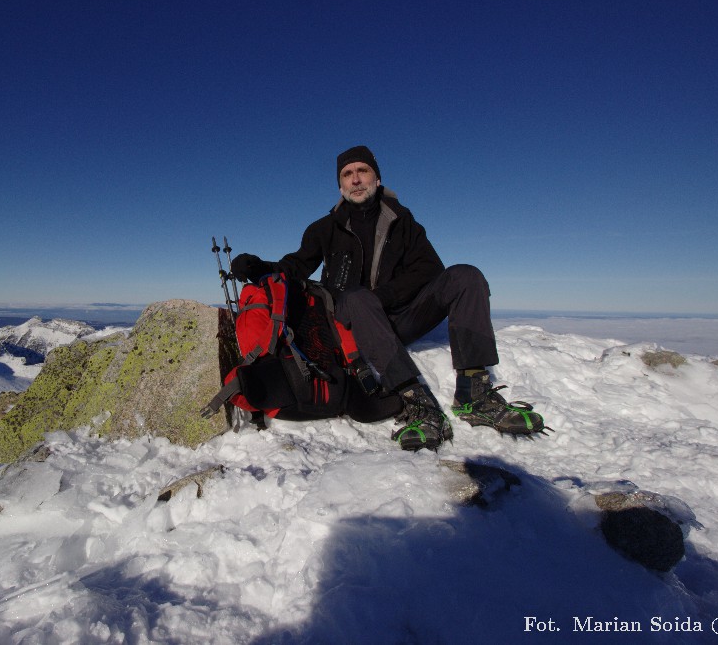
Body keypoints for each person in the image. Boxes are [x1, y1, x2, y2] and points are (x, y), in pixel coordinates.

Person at [231, 145, 545, 451]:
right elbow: (295, 266)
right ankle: (416, 403)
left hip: (399, 316)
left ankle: (474, 395)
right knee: (356, 298)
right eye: (347, 174)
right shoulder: (324, 229)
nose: (355, 179)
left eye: (362, 171)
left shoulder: (402, 222)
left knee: (466, 275)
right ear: (340, 186)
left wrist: (383, 296)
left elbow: (430, 270)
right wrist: (259, 267)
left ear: (376, 179)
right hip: (351, 325)